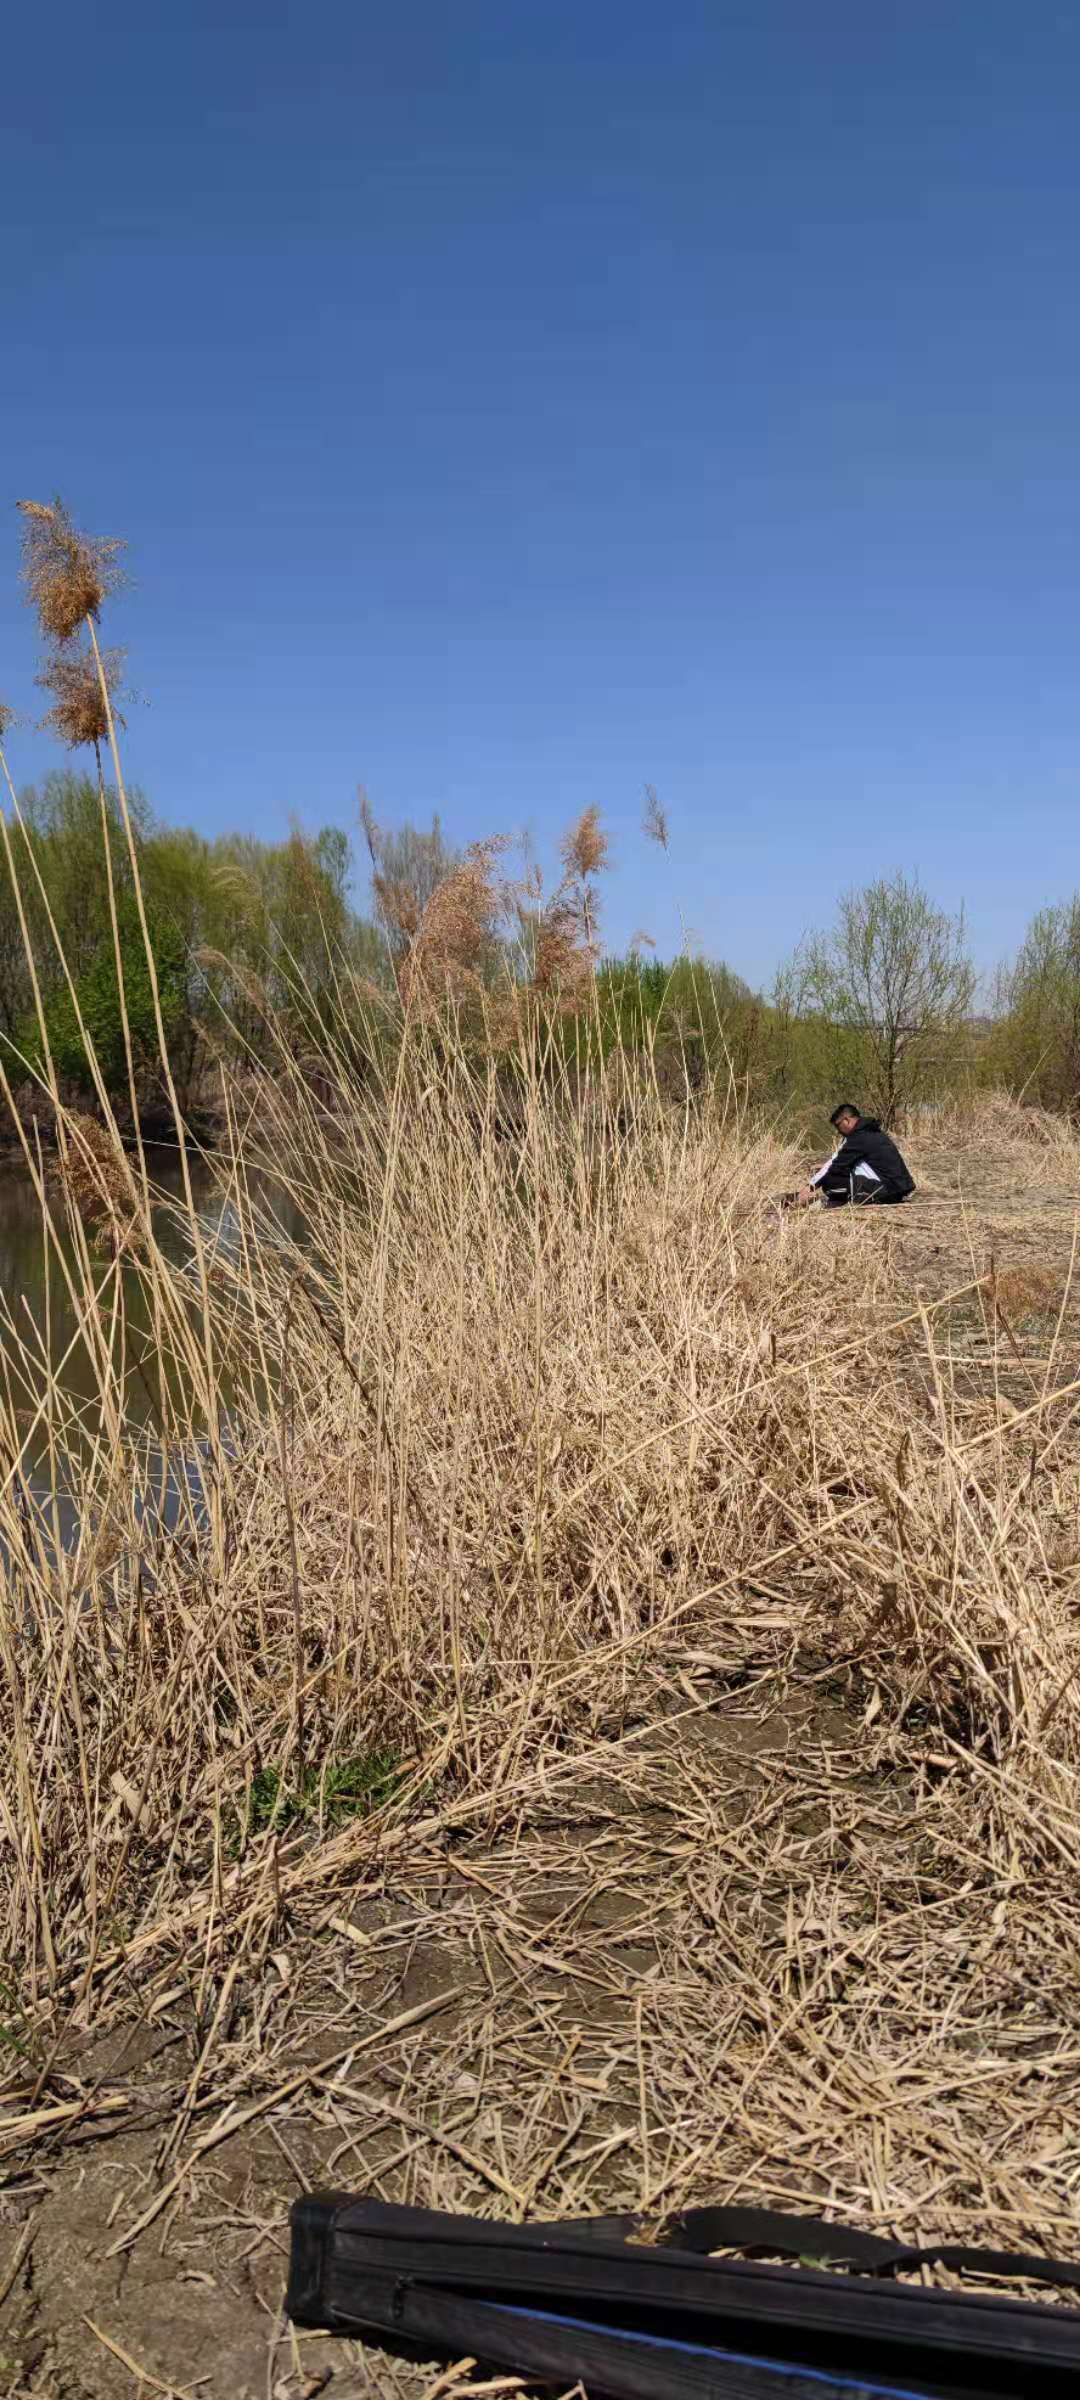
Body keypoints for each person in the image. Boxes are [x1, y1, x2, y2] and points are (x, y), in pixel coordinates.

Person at [792, 1103, 916, 1210]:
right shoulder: (870, 1131)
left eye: (838, 1125)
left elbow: (838, 1164)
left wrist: (810, 1187)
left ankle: (830, 1202)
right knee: (830, 1175)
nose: (838, 1131)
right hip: (897, 1187)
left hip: (889, 1190)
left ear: (847, 1120)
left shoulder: (860, 1136)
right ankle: (840, 1200)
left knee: (831, 1183)